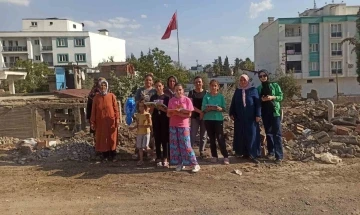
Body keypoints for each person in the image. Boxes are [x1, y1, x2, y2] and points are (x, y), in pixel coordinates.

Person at [167, 83, 201, 173]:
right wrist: (175, 112)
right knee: (175, 145)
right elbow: (168, 113)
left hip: (183, 125)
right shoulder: (171, 100)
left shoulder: (187, 100)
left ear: (183, 90)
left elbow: (189, 113)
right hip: (173, 125)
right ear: (174, 91)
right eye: (177, 90)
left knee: (186, 145)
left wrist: (178, 113)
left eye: (180, 89)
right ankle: (180, 163)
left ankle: (195, 163)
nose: (178, 91)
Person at [229, 74, 261, 164]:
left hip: (251, 118)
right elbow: (233, 103)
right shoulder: (237, 91)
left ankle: (253, 154)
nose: (243, 82)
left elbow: (258, 104)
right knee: (241, 135)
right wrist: (232, 113)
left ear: (248, 81)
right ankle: (243, 153)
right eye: (241, 80)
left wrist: (258, 115)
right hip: (239, 118)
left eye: (244, 80)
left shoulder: (253, 90)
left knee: (252, 135)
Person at [257, 69, 284, 164]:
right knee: (268, 133)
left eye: (264, 75)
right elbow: (257, 100)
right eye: (260, 76)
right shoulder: (259, 88)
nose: (262, 77)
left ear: (267, 75)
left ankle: (279, 156)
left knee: (277, 134)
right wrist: (262, 99)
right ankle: (271, 152)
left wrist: (272, 97)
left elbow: (281, 96)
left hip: (274, 112)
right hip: (265, 113)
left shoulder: (275, 85)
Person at [90, 80, 120, 162]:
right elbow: (93, 111)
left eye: (104, 85)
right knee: (103, 138)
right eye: (101, 86)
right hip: (100, 122)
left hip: (111, 121)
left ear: (107, 87)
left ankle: (113, 155)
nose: (103, 87)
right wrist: (92, 122)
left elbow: (116, 109)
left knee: (112, 137)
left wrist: (117, 118)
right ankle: (105, 155)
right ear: (99, 87)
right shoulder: (96, 98)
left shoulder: (111, 96)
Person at [202, 79, 229, 165]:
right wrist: (208, 109)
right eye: (212, 85)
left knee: (220, 138)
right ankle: (214, 156)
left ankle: (225, 156)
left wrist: (219, 109)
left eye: (215, 85)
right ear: (209, 86)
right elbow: (203, 109)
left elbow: (224, 108)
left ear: (218, 87)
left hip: (218, 120)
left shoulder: (220, 97)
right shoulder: (206, 96)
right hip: (208, 120)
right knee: (212, 139)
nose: (213, 87)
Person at [134, 73, 156, 159]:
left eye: (150, 80)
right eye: (146, 80)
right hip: (141, 115)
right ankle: (139, 153)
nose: (148, 81)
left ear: (152, 81)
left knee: (150, 134)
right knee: (140, 133)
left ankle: (151, 153)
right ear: (144, 81)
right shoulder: (140, 90)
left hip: (151, 115)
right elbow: (136, 102)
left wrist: (150, 112)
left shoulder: (154, 91)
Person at [149, 80, 170, 168]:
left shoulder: (167, 97)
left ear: (163, 87)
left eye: (159, 86)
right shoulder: (153, 97)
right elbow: (150, 110)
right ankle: (158, 157)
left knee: (164, 139)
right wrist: (153, 107)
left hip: (164, 119)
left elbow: (168, 110)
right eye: (156, 86)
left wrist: (162, 109)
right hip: (156, 119)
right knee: (157, 138)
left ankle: (165, 157)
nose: (158, 88)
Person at [188, 76, 207, 158]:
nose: (198, 83)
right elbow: (190, 105)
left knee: (203, 135)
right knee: (192, 134)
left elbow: (208, 104)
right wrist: (200, 112)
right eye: (196, 82)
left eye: (199, 82)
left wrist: (203, 113)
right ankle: (190, 151)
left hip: (205, 117)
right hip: (194, 117)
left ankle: (202, 151)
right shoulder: (191, 93)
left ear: (202, 83)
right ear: (194, 84)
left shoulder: (206, 93)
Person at [130, 100, 152, 166]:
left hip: (146, 132)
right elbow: (137, 124)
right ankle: (141, 160)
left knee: (145, 146)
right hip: (139, 132)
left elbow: (150, 124)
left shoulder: (147, 115)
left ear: (145, 107)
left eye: (142, 106)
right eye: (140, 106)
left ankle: (154, 154)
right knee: (140, 147)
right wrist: (133, 128)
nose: (141, 108)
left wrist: (143, 126)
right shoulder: (138, 115)